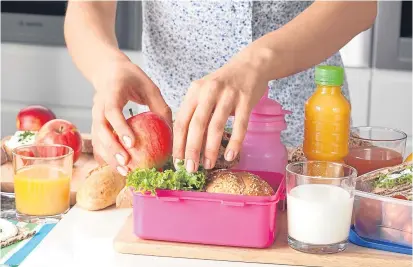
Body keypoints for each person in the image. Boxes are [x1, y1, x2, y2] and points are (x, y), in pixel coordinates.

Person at [64, 0, 377, 175]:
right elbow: (88, 6)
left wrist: (259, 62)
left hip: (310, 138)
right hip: (176, 145)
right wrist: (108, 67)